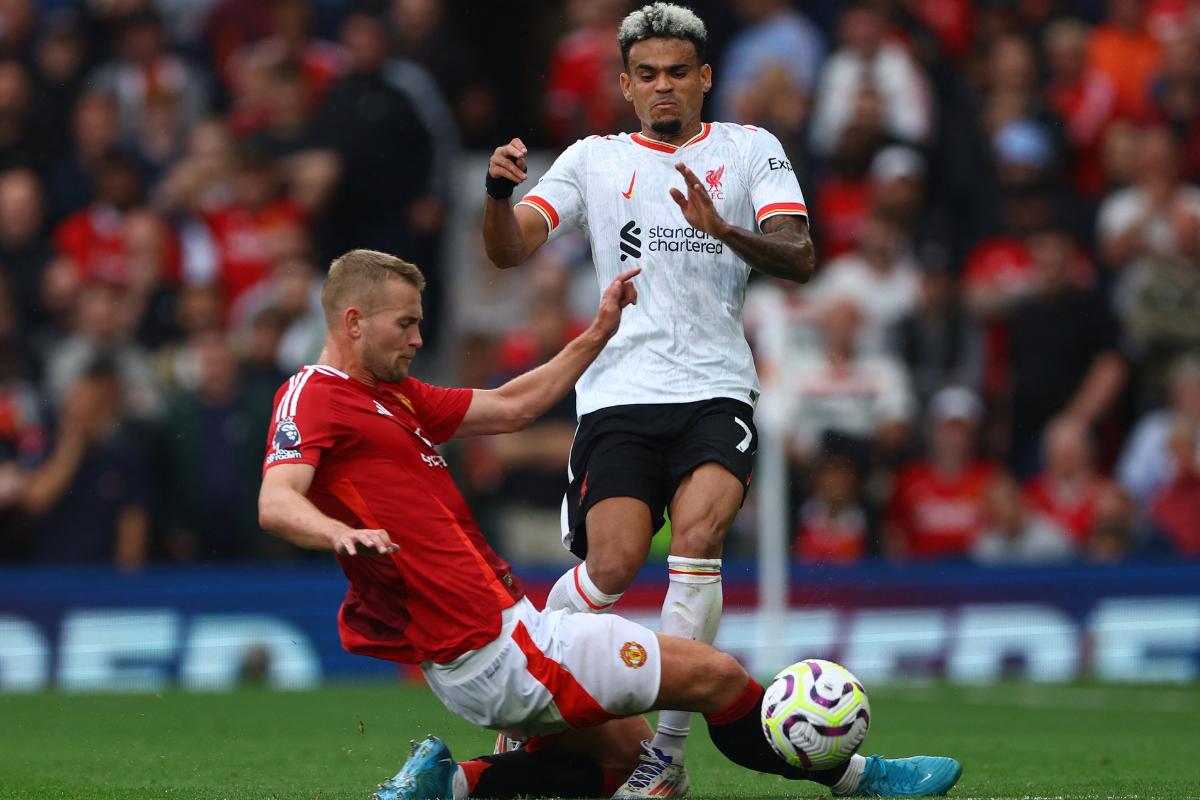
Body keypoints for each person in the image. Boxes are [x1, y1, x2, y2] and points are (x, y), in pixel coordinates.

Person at [256, 248, 962, 800]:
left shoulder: (393, 397)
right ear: (353, 322)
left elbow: (509, 407)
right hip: (502, 650)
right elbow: (277, 499)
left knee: (623, 758)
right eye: (404, 323)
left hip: (498, 639)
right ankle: (858, 778)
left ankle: (454, 782)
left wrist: (598, 332)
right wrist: (337, 533)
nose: (417, 337)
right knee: (715, 677)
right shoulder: (315, 396)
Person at [481, 6, 816, 791]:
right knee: (611, 570)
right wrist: (496, 196)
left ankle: (664, 759)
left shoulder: (749, 150)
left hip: (716, 388)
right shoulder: (593, 160)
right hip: (619, 395)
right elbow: (509, 250)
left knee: (698, 542)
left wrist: (726, 230)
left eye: (678, 72)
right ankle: (524, 683)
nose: (664, 86)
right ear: (626, 85)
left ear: (704, 78)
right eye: (649, 74)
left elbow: (800, 255)